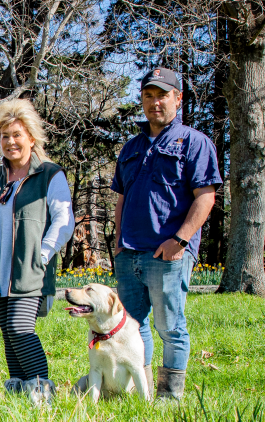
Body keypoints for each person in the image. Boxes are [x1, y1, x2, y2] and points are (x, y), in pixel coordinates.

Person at [110, 67, 221, 399]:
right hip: (130, 254)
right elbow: (121, 198)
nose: (155, 102)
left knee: (170, 328)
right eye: (148, 96)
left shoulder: (194, 143)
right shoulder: (131, 148)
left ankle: (169, 398)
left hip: (167, 254)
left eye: (162, 95)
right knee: (133, 326)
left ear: (178, 98)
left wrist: (181, 240)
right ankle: (143, 395)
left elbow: (206, 196)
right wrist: (118, 244)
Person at [0, 99, 72, 400]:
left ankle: (43, 395)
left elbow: (64, 221)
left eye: (16, 135)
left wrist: (42, 254)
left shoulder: (50, 175)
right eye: (4, 136)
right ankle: (19, 393)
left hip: (29, 271)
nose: (10, 142)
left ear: (31, 137)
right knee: (8, 335)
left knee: (19, 329)